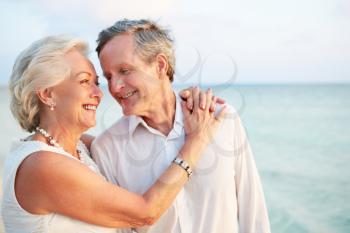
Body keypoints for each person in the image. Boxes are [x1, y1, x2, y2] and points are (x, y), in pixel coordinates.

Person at [1, 35, 226, 232]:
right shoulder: (42, 165)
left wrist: (178, 106)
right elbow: (145, 213)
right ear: (48, 94)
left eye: (97, 83)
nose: (99, 93)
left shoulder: (77, 147)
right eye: (84, 82)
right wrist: (198, 139)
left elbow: (141, 145)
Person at [92, 19, 271, 233]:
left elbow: (253, 213)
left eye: (125, 70)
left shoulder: (222, 119)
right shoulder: (107, 148)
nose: (114, 87)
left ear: (160, 65)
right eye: (108, 76)